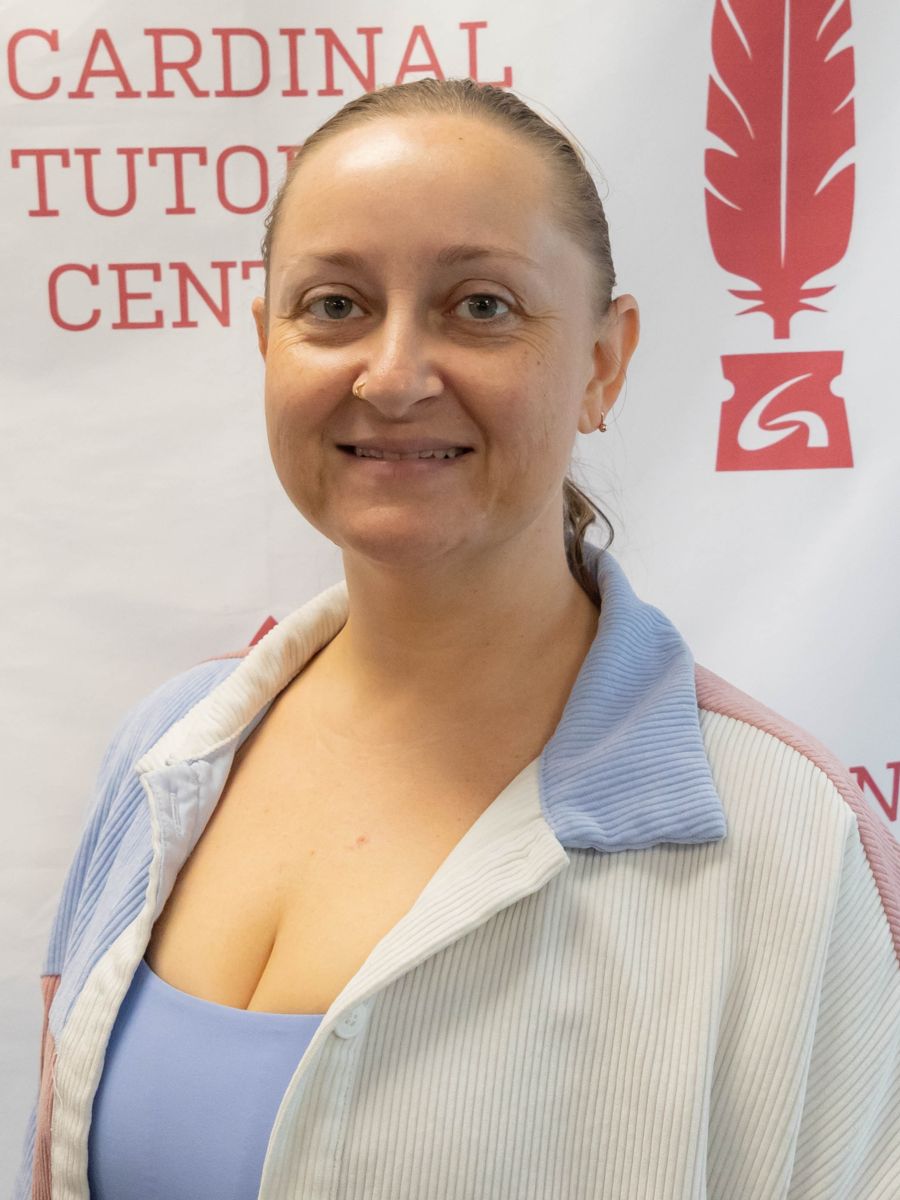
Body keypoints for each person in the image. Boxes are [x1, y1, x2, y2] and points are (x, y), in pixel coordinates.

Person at [15, 77, 900, 1200]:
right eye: (334, 304)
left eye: (481, 306)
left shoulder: (786, 841)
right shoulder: (165, 754)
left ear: (604, 362)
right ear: (266, 343)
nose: (391, 376)